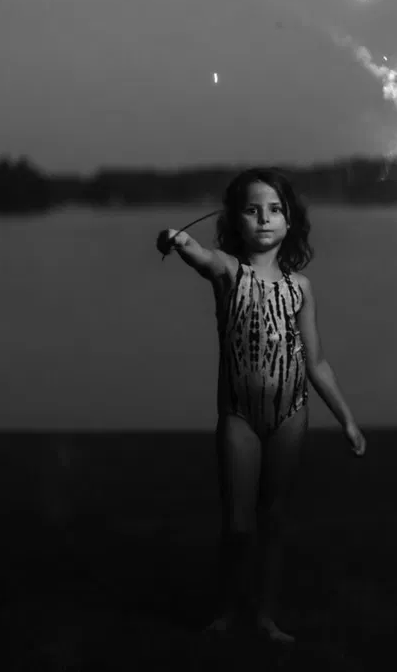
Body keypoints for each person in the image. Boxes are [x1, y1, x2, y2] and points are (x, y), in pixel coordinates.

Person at [156, 167, 366, 644]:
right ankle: (229, 610)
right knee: (237, 524)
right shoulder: (229, 271)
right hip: (239, 416)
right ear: (236, 220)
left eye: (274, 210)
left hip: (291, 414)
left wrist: (348, 420)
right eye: (252, 210)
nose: (264, 219)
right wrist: (175, 239)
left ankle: (266, 615)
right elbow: (199, 255)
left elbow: (316, 361)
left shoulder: (300, 288)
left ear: (290, 220)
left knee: (274, 519)